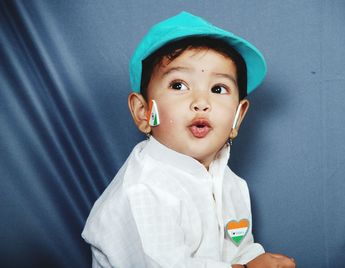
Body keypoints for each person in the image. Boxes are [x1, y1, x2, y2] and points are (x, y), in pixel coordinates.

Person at [82, 11, 296, 268]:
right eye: (179, 85)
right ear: (144, 112)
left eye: (218, 89)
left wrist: (256, 259)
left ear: (238, 117)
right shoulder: (141, 190)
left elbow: (236, 250)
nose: (201, 103)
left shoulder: (231, 185)